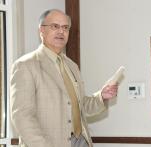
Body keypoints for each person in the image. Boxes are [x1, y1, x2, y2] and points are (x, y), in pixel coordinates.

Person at [10, 9, 118, 147]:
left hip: (81, 141)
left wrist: (102, 96)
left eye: (65, 27)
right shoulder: (25, 65)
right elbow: (22, 117)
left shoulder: (72, 66)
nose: (61, 31)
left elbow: (81, 107)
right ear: (41, 30)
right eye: (55, 26)